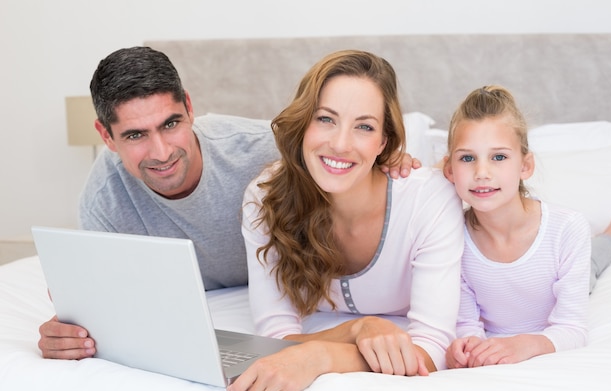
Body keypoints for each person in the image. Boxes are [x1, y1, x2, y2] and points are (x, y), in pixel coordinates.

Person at [38, 46, 419, 360]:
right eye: (136, 134)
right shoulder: (104, 201)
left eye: (171, 124)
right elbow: (106, 311)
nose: (161, 151)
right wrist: (72, 331)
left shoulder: (263, 152)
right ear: (106, 135)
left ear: (189, 108)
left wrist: (384, 164)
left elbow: (343, 159)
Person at [228, 50, 464, 391]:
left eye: (364, 127)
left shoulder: (428, 200)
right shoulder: (264, 198)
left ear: (383, 142)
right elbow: (274, 338)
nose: (340, 144)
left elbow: (430, 349)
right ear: (303, 122)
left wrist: (320, 357)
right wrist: (357, 329)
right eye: (326, 119)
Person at [442, 85, 611, 370]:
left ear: (525, 166)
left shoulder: (567, 229)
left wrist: (524, 344)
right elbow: (467, 322)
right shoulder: (450, 237)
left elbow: (572, 328)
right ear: (449, 170)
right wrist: (469, 345)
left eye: (499, 157)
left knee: (593, 261)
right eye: (467, 158)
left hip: (559, 260)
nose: (481, 173)